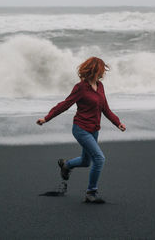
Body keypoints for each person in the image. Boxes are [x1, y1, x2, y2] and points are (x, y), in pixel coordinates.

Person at [36, 57, 126, 203]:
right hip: (81, 129)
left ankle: (66, 165)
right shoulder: (80, 88)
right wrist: (46, 118)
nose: (103, 73)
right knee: (99, 158)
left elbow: (105, 108)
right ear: (94, 70)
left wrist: (118, 123)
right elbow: (64, 105)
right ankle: (91, 192)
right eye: (101, 70)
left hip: (94, 129)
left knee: (86, 161)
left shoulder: (100, 86)